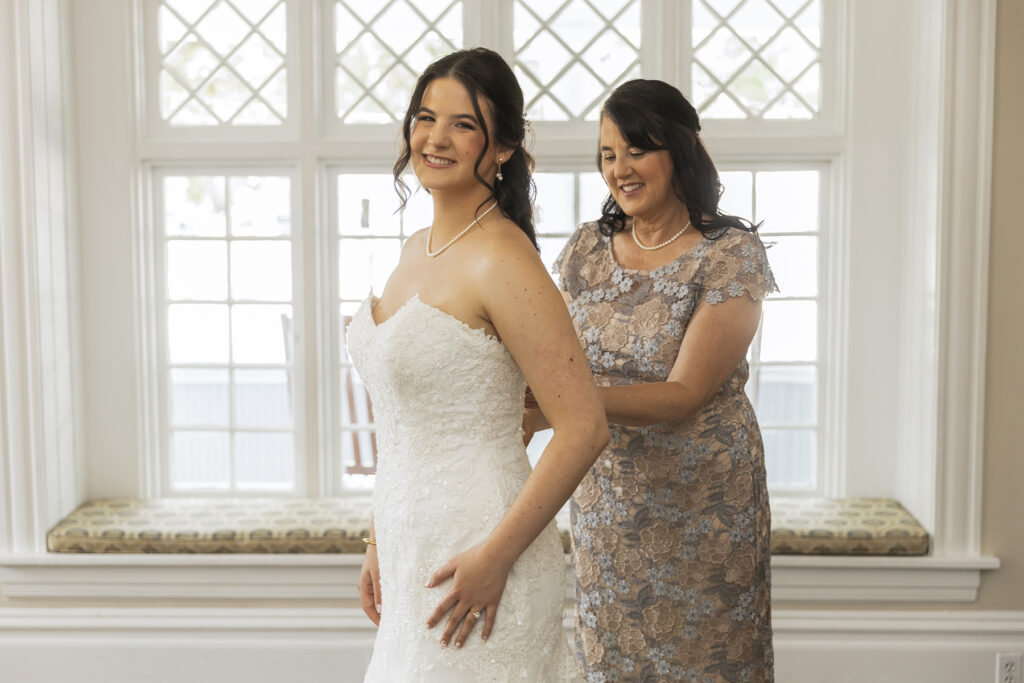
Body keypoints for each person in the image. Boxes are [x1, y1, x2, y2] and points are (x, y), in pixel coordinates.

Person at [346, 47, 608, 682]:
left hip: (484, 549)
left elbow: (584, 427)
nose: (435, 138)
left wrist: (496, 557)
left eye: (463, 124)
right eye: (425, 117)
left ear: (503, 148)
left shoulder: (504, 259)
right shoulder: (415, 249)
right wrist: (379, 538)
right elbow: (405, 421)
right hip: (409, 551)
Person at [527, 79, 777, 681]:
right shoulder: (586, 249)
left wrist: (565, 406)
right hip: (607, 499)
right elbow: (555, 357)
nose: (620, 169)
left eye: (636, 150)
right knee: (610, 660)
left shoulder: (731, 253)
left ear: (679, 150)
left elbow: (684, 394)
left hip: (707, 503)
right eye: (608, 155)